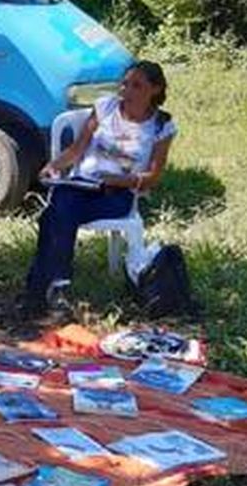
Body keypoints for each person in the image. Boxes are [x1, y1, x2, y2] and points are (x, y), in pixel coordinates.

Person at [19, 60, 177, 318]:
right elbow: (77, 149)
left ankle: (40, 290)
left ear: (155, 90)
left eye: (136, 86)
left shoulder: (161, 126)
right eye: (124, 84)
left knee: (55, 215)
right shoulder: (105, 107)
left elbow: (151, 178)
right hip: (82, 183)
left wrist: (118, 181)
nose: (126, 90)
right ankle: (54, 286)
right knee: (61, 204)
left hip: (117, 192)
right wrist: (53, 166)